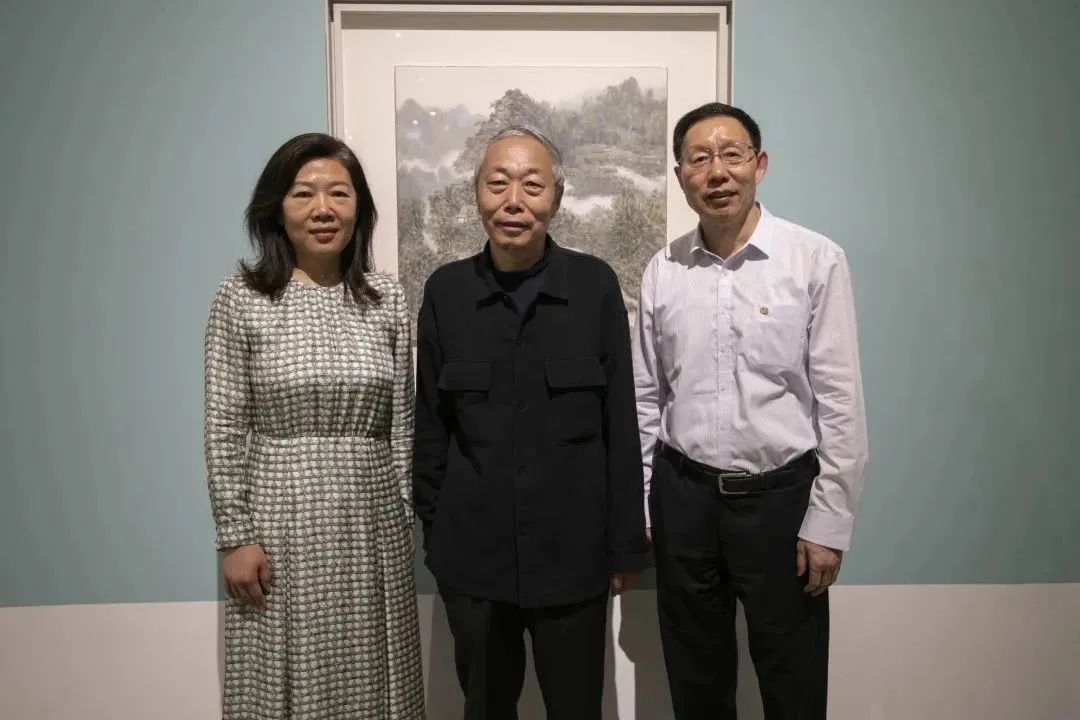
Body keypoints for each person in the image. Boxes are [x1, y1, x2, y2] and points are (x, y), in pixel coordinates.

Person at [633, 102, 869, 719]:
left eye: (731, 155)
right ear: (681, 176)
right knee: (696, 680)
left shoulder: (815, 259)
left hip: (781, 501)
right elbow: (646, 397)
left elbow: (840, 402)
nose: (717, 172)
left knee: (793, 679)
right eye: (699, 159)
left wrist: (829, 523)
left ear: (759, 164)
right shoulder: (663, 269)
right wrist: (647, 501)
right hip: (684, 498)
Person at [413, 125, 650, 719]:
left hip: (574, 559)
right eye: (497, 184)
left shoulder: (595, 287)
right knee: (485, 707)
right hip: (474, 561)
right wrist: (439, 537)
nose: (513, 201)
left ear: (557, 198)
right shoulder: (445, 293)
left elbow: (620, 423)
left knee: (576, 708)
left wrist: (624, 546)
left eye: (531, 185)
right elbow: (432, 427)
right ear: (476, 195)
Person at [203, 132, 424, 719]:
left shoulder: (387, 299)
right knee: (282, 679)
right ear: (277, 208)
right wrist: (235, 535)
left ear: (359, 209)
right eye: (303, 194)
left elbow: (403, 423)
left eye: (339, 194)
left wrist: (401, 515)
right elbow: (224, 423)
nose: (323, 209)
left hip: (372, 521)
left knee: (374, 681)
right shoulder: (242, 298)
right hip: (276, 521)